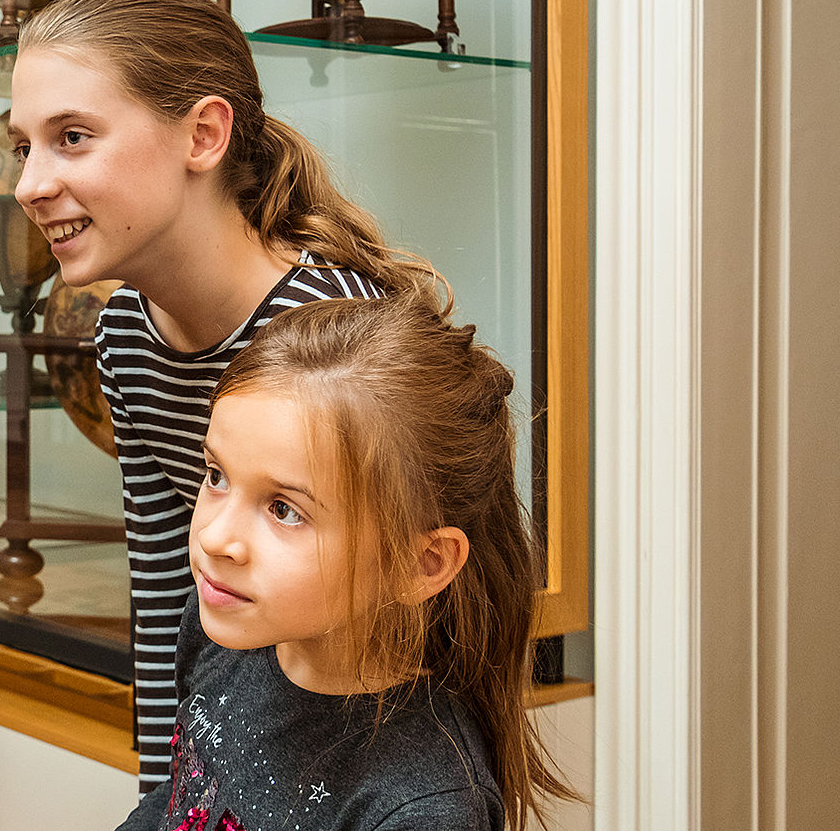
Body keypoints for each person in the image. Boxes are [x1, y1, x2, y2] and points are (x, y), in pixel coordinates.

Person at [8, 0, 444, 789]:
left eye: (72, 137)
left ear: (203, 134)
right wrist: (168, 798)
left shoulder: (328, 335)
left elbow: (395, 619)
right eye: (22, 145)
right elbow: (168, 586)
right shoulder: (124, 334)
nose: (30, 184)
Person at [118, 295, 575, 831]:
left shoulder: (423, 807)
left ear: (421, 564)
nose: (216, 539)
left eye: (284, 509)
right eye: (216, 476)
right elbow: (177, 799)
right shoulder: (216, 626)